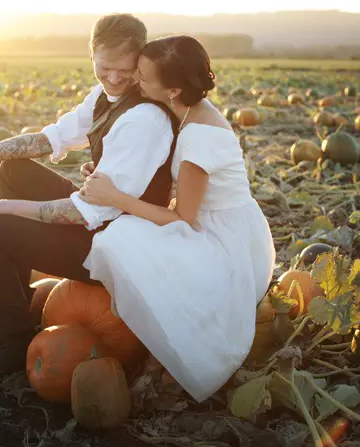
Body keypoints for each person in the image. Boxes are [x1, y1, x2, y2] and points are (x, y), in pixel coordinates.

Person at [0, 13, 179, 375]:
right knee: (14, 170)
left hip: (120, 250)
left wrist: (3, 208)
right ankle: (16, 299)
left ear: (141, 60)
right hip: (104, 221)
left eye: (124, 70)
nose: (113, 79)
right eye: (104, 68)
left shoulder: (144, 119)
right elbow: (51, 138)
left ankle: (16, 344)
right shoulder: (105, 96)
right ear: (92, 58)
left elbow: (84, 213)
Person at [77, 35, 276, 403]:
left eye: (143, 76)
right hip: (214, 222)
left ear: (172, 90)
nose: (135, 80)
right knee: (130, 233)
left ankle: (168, 356)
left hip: (228, 245)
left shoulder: (199, 138)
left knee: (121, 239)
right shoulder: (186, 112)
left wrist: (114, 197)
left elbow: (182, 218)